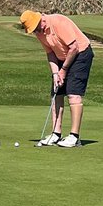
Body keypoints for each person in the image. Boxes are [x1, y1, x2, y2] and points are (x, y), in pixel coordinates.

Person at [19, 10, 93, 147]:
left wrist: (63, 70)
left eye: (36, 28)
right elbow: (50, 53)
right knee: (56, 92)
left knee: (73, 94)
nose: (36, 32)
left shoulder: (58, 22)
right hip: (62, 57)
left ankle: (74, 136)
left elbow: (74, 47)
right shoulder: (39, 32)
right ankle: (56, 133)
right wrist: (55, 74)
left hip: (81, 54)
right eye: (34, 30)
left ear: (41, 20)